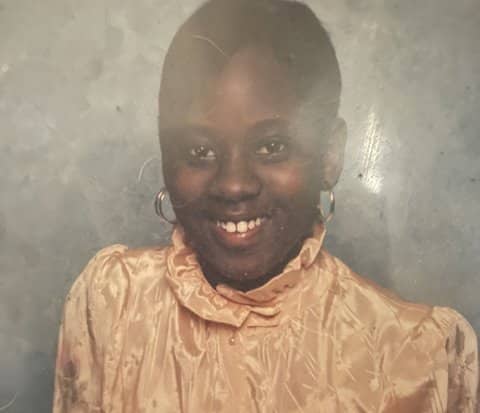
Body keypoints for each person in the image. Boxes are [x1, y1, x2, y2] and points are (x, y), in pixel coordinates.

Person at [53, 0, 479, 412]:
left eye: (272, 146)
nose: (234, 185)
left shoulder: (420, 358)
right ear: (166, 155)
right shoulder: (112, 304)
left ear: (329, 156)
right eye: (199, 151)